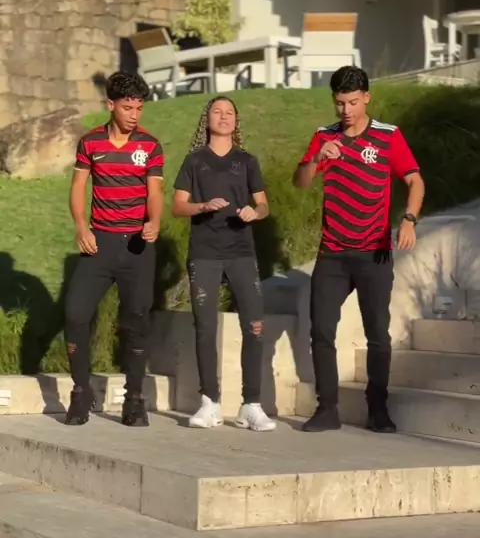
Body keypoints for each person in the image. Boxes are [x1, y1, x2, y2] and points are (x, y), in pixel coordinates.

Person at [293, 65, 425, 434]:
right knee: (321, 330)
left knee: (378, 334)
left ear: (366, 97)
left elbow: (415, 180)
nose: (346, 110)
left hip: (374, 252)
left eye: (352, 102)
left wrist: (409, 219)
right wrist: (317, 158)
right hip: (332, 254)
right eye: (340, 103)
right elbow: (300, 182)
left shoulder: (388, 136)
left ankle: (378, 409)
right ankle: (327, 409)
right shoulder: (324, 136)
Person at [64, 72, 164, 427]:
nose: (134, 115)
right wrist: (81, 226)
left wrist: (154, 221)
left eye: (139, 108)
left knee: (136, 321)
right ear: (110, 105)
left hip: (137, 247)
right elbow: (78, 186)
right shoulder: (90, 142)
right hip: (100, 245)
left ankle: (133, 399)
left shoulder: (150, 146)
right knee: (75, 313)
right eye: (127, 108)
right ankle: (80, 393)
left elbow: (155, 192)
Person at [172, 96, 275, 432]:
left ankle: (251, 405)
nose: (224, 116)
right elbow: (178, 206)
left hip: (242, 253)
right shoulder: (194, 161)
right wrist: (202, 207)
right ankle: (209, 403)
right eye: (217, 112)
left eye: (229, 112)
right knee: (205, 327)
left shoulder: (247, 161)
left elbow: (263, 205)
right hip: (204, 253)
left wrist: (254, 213)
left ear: (236, 121)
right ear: (207, 120)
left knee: (254, 326)